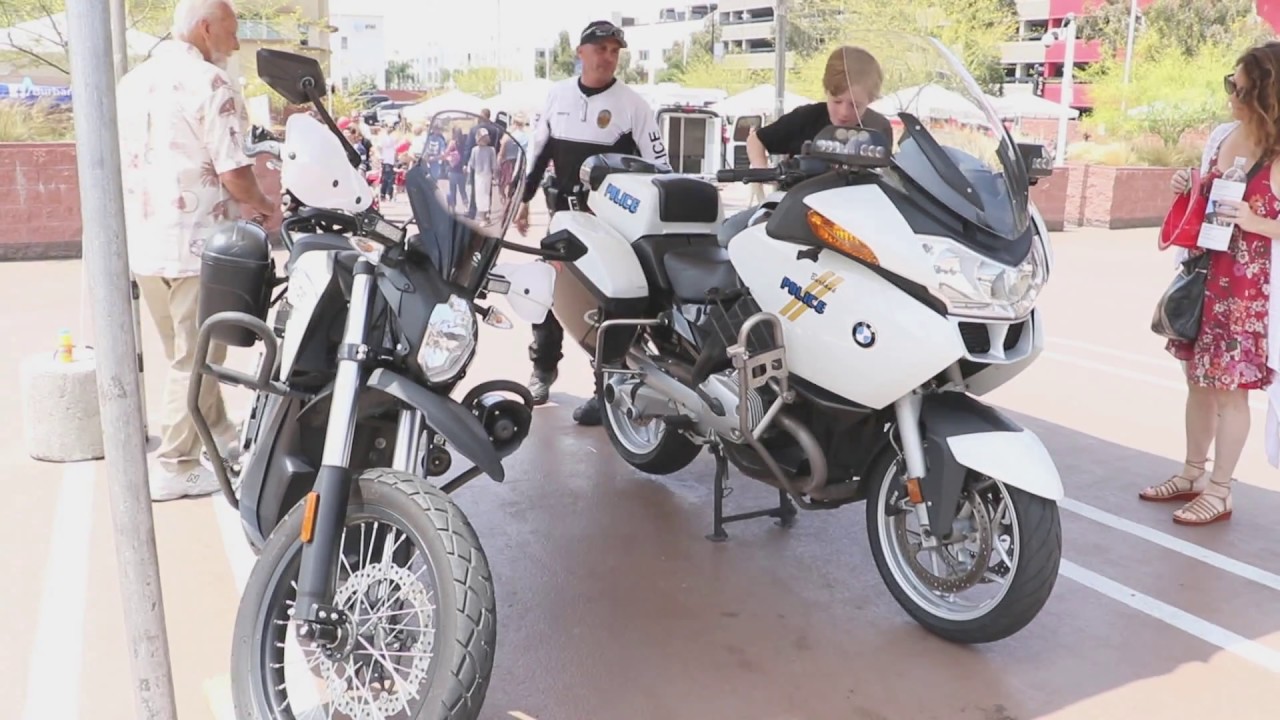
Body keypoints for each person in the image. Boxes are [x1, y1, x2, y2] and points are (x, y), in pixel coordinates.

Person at [116, 0, 280, 501]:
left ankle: (222, 435)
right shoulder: (210, 83)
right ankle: (175, 463)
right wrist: (266, 206)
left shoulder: (131, 83)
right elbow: (233, 171)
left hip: (146, 240)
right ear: (206, 29)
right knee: (198, 358)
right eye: (231, 32)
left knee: (184, 354)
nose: (234, 44)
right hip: (200, 246)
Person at [1138, 41, 1280, 525]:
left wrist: (1256, 222)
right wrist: (1189, 184)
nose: (1230, 96)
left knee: (1230, 391)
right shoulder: (1223, 135)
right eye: (1230, 84)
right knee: (1196, 380)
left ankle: (1221, 489)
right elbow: (1206, 194)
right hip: (1204, 272)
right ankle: (1192, 472)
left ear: (1266, 94)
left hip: (1248, 290)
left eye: (1238, 88)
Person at [514, 20, 671, 424]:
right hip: (562, 218)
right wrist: (523, 198)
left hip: (607, 224)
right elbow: (539, 152)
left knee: (603, 306)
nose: (607, 57)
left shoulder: (634, 105)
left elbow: (661, 168)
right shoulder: (557, 96)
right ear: (580, 52)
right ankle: (542, 368)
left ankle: (606, 390)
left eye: (614, 51)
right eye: (600, 49)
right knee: (547, 293)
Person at [717, 45, 893, 244]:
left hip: (850, 218)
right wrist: (761, 168)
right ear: (826, 91)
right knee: (728, 233)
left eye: (855, 105)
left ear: (870, 100)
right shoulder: (807, 118)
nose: (844, 113)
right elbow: (756, 139)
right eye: (837, 101)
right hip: (794, 208)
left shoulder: (879, 129)